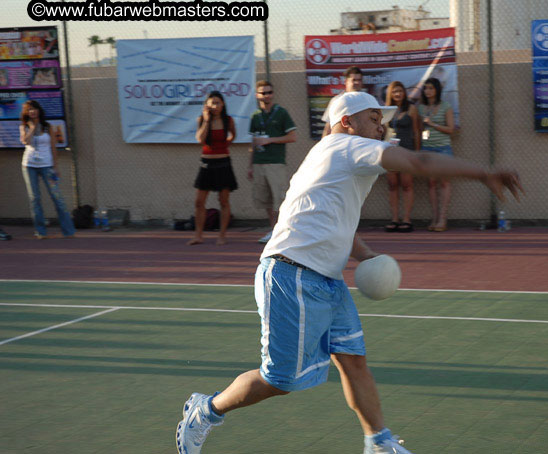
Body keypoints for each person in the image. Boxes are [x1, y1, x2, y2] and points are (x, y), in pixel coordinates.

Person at [175, 92, 523, 454]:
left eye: (382, 119)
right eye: (374, 118)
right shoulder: (345, 146)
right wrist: (484, 173)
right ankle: (206, 410)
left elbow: (329, 216)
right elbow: (418, 161)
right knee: (280, 380)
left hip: (326, 279)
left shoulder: (334, 157)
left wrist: (366, 254)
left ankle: (379, 443)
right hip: (291, 276)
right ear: (347, 122)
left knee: (355, 362)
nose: (381, 125)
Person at [247, 80, 297, 244]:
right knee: (266, 200)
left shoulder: (281, 113)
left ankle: (285, 231)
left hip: (275, 163)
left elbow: (292, 137)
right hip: (259, 163)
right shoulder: (255, 116)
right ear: (257, 95)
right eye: (263, 93)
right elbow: (253, 143)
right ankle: (273, 230)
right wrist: (250, 165)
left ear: (273, 94)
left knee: (280, 199)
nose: (266, 96)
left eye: (269, 92)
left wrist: (270, 140)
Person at [20, 100, 75, 239]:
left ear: (39, 111)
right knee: (35, 198)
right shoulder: (24, 127)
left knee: (57, 197)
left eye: (35, 109)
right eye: (30, 109)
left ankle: (68, 231)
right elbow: (25, 141)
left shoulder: (47, 126)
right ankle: (40, 231)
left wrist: (55, 167)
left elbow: (53, 147)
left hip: (47, 166)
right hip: (29, 165)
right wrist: (32, 128)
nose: (33, 111)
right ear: (27, 112)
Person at [188, 91, 238, 246]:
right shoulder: (202, 120)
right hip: (206, 164)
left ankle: (222, 235)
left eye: (218, 103)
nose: (215, 106)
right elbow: (200, 140)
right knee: (199, 202)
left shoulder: (228, 120)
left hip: (223, 164)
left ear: (223, 105)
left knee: (223, 201)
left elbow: (233, 136)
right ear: (206, 106)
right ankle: (198, 235)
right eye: (212, 103)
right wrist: (207, 121)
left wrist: (223, 146)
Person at [418, 77, 456, 232]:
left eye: (431, 88)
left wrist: (432, 124)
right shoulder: (420, 108)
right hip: (427, 149)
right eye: (426, 88)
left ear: (437, 90)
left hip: (443, 149)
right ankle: (434, 218)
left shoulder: (446, 106)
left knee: (445, 183)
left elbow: (451, 129)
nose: (428, 91)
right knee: (431, 184)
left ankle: (442, 218)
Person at [383, 81, 420, 232]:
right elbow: (383, 132)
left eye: (400, 91)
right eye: (394, 91)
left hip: (407, 152)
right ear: (390, 94)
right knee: (392, 185)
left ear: (404, 93)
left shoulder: (411, 109)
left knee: (407, 184)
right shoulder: (386, 110)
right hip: (391, 152)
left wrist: (417, 153)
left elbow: (416, 131)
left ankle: (406, 219)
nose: (397, 94)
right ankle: (395, 219)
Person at [321, 66, 364, 137]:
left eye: (359, 80)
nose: (357, 83)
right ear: (346, 82)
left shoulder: (367, 100)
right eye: (354, 80)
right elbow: (328, 126)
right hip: (342, 140)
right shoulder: (337, 100)